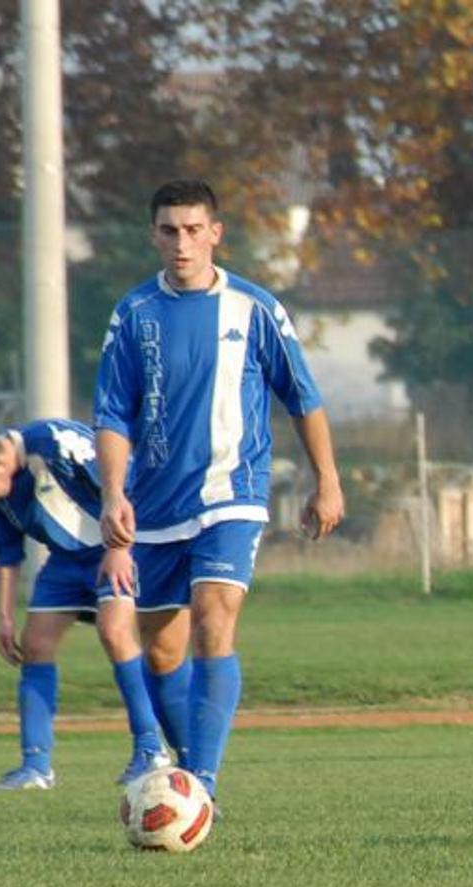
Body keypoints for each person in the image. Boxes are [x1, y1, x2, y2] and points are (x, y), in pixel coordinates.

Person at [93, 179, 344, 800]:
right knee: (161, 652)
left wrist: (327, 481)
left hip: (233, 492)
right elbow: (112, 414)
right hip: (153, 505)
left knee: (213, 617)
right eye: (169, 230)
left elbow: (302, 398)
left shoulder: (255, 309)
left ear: (215, 233)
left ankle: (199, 784)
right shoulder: (133, 314)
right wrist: (113, 494)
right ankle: (185, 766)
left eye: (193, 229)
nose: (181, 242)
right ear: (154, 235)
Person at [0, 421, 171, 790]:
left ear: (1, 464)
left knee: (114, 632)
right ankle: (36, 767)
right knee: (35, 646)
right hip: (65, 560)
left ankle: (151, 748)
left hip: (117, 545)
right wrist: (4, 617)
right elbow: (7, 554)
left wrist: (119, 549)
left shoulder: (54, 443)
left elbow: (123, 486)